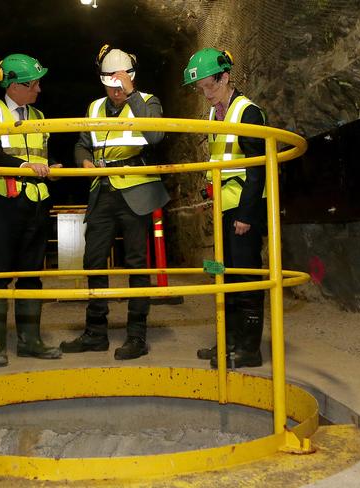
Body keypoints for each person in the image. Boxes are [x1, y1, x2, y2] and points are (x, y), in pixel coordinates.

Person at [60, 45, 170, 360]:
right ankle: (96, 332)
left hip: (136, 190)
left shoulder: (147, 102)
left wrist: (133, 94)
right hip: (102, 191)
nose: (116, 91)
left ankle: (137, 336)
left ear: (131, 80)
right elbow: (82, 143)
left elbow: (155, 137)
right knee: (93, 261)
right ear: (103, 82)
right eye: (112, 84)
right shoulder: (94, 108)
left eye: (122, 84)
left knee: (136, 264)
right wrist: (84, 163)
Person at [0, 53, 62, 367]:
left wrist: (49, 167)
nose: (39, 90)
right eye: (34, 84)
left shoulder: (38, 115)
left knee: (31, 275)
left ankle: (31, 341)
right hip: (3, 204)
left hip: (36, 203)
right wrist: (27, 166)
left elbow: (39, 152)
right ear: (14, 85)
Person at [182, 48, 267, 368]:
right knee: (224, 275)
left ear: (226, 77)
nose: (206, 94)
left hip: (244, 209)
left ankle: (249, 349)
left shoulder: (248, 112)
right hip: (223, 207)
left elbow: (257, 169)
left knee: (245, 275)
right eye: (201, 89)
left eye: (210, 87)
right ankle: (229, 341)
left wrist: (246, 215)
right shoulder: (214, 113)